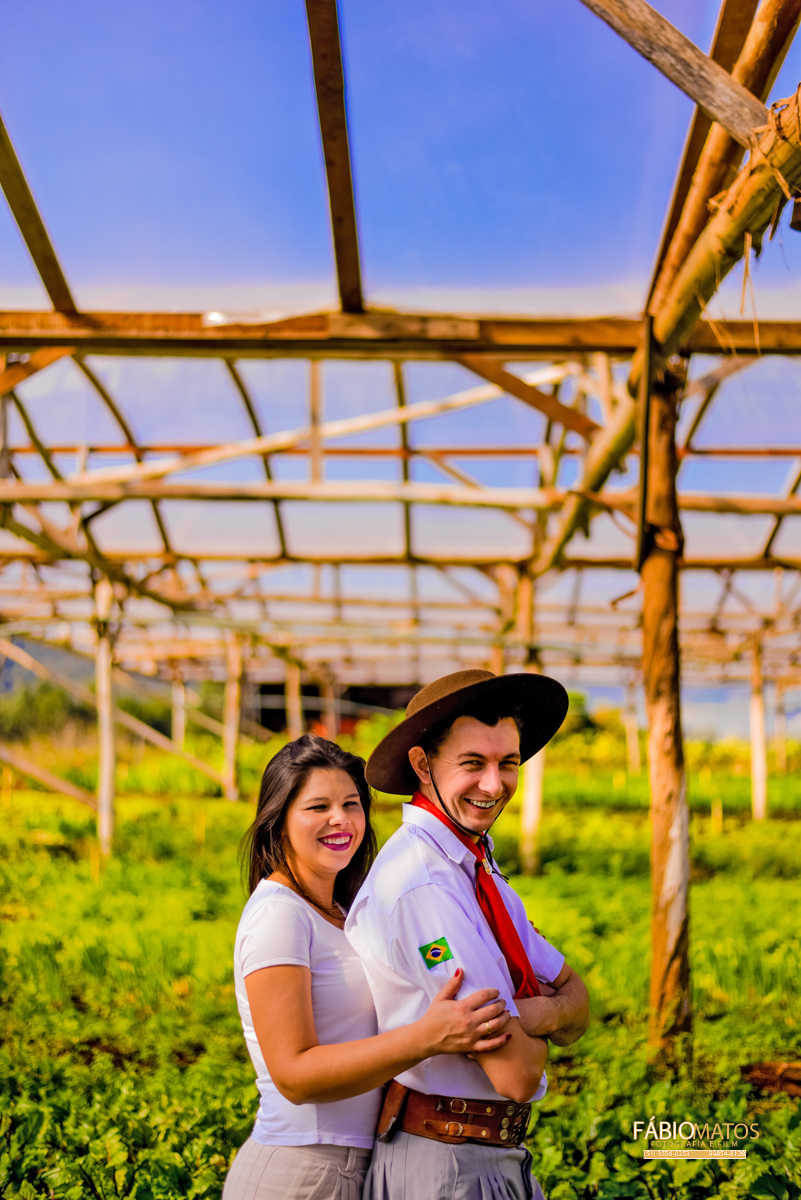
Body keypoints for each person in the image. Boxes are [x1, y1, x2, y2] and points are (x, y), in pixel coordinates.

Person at [223, 733, 516, 1200]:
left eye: (352, 804)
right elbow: (294, 1075)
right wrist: (425, 1037)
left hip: (354, 1165)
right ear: (279, 821)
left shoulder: (340, 911)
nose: (340, 819)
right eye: (317, 807)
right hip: (301, 1171)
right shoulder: (279, 914)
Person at [345, 669, 591, 1200]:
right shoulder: (424, 887)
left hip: (484, 1157)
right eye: (472, 763)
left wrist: (535, 1014)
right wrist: (547, 1010)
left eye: (508, 763)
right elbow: (518, 1073)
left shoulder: (476, 869)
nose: (493, 784)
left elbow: (578, 1000)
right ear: (422, 764)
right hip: (448, 1165)